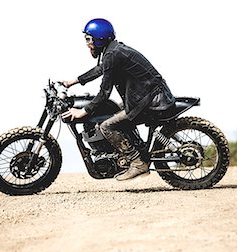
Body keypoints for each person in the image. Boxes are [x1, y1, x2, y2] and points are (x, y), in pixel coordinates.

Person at [62, 18, 175, 181]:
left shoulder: (113, 54)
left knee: (106, 126)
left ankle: (137, 162)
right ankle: (133, 148)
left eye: (89, 39)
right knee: (114, 112)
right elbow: (101, 69)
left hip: (150, 100)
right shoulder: (112, 51)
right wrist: (73, 81)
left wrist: (83, 111)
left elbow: (104, 93)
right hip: (146, 96)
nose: (87, 44)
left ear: (99, 39)